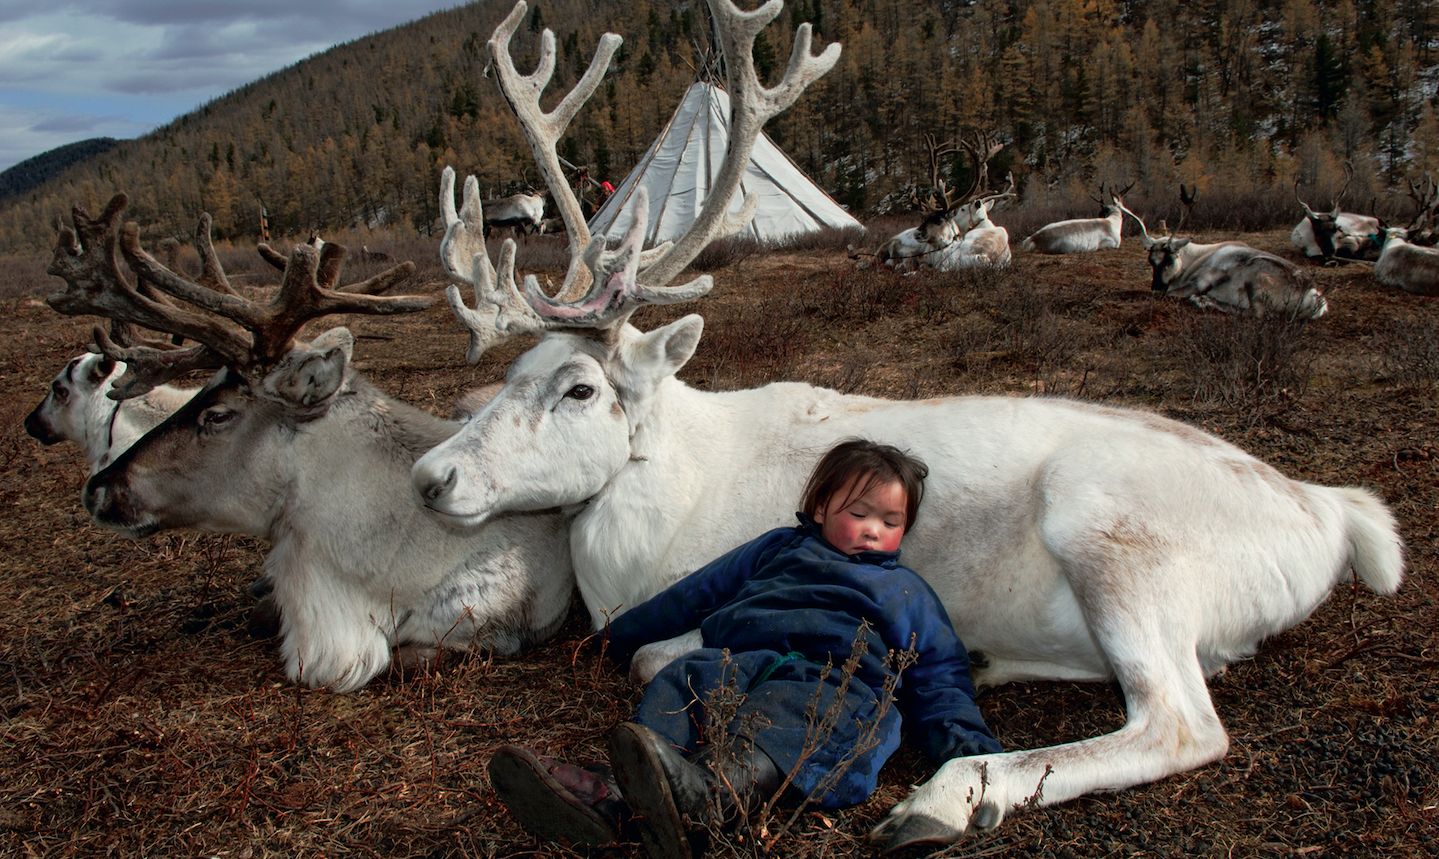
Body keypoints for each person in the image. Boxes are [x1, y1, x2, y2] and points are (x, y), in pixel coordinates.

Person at [488, 439, 1001, 858]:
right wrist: (613, 641)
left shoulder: (904, 590)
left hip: (832, 683)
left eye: (890, 523)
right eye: (858, 513)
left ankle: (710, 798)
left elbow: (938, 672)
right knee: (683, 680)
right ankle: (625, 794)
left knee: (797, 715)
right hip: (738, 661)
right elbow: (695, 595)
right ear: (820, 507)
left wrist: (970, 753)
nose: (872, 530)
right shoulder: (777, 548)